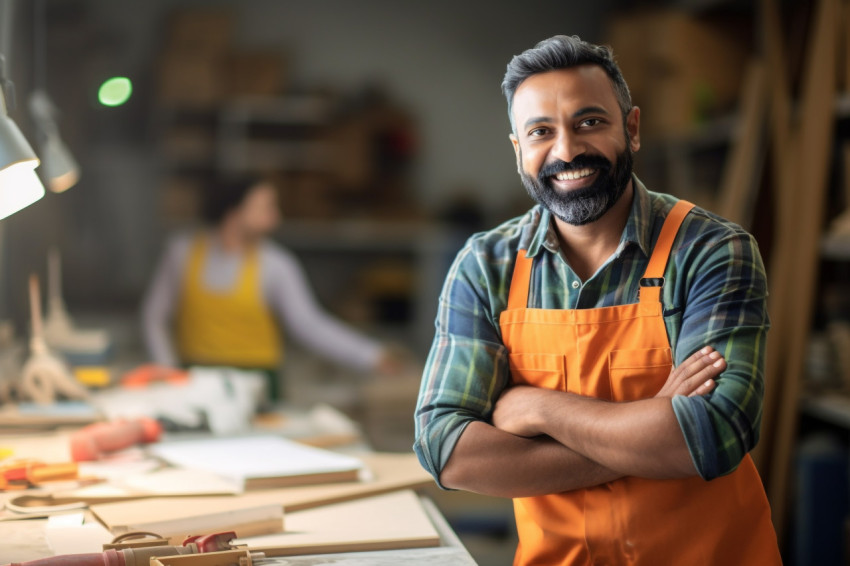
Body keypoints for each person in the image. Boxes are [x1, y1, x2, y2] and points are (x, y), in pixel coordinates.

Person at [414, 35, 782, 565]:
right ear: (519, 150)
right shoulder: (486, 266)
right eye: (541, 132)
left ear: (631, 129)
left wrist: (535, 407)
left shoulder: (712, 251)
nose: (566, 151)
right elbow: (446, 451)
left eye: (589, 122)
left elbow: (713, 435)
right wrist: (650, 426)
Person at [142, 176, 401, 400]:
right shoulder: (183, 253)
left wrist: (369, 355)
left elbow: (308, 324)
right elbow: (154, 316)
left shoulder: (275, 264)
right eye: (265, 207)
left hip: (258, 386)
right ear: (235, 212)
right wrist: (167, 368)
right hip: (195, 382)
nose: (275, 217)